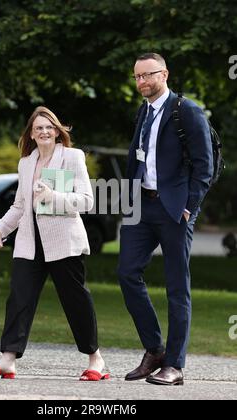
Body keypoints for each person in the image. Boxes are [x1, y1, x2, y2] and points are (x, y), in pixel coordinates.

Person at [0, 106, 109, 381]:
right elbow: (20, 205)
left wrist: (52, 196)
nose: (44, 131)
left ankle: (95, 359)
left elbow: (86, 201)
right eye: (39, 128)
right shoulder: (26, 162)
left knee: (75, 301)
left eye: (49, 127)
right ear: (32, 134)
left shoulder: (72, 157)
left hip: (64, 243)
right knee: (19, 299)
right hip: (29, 243)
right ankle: (8, 360)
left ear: (58, 131)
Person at [118, 53, 213, 385]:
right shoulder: (142, 112)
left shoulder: (186, 110)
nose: (142, 81)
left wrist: (190, 207)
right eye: (137, 77)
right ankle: (155, 349)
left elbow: (205, 166)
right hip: (141, 207)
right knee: (127, 273)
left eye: (148, 75)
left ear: (165, 74)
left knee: (177, 287)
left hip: (175, 209)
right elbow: (137, 158)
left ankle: (174, 364)